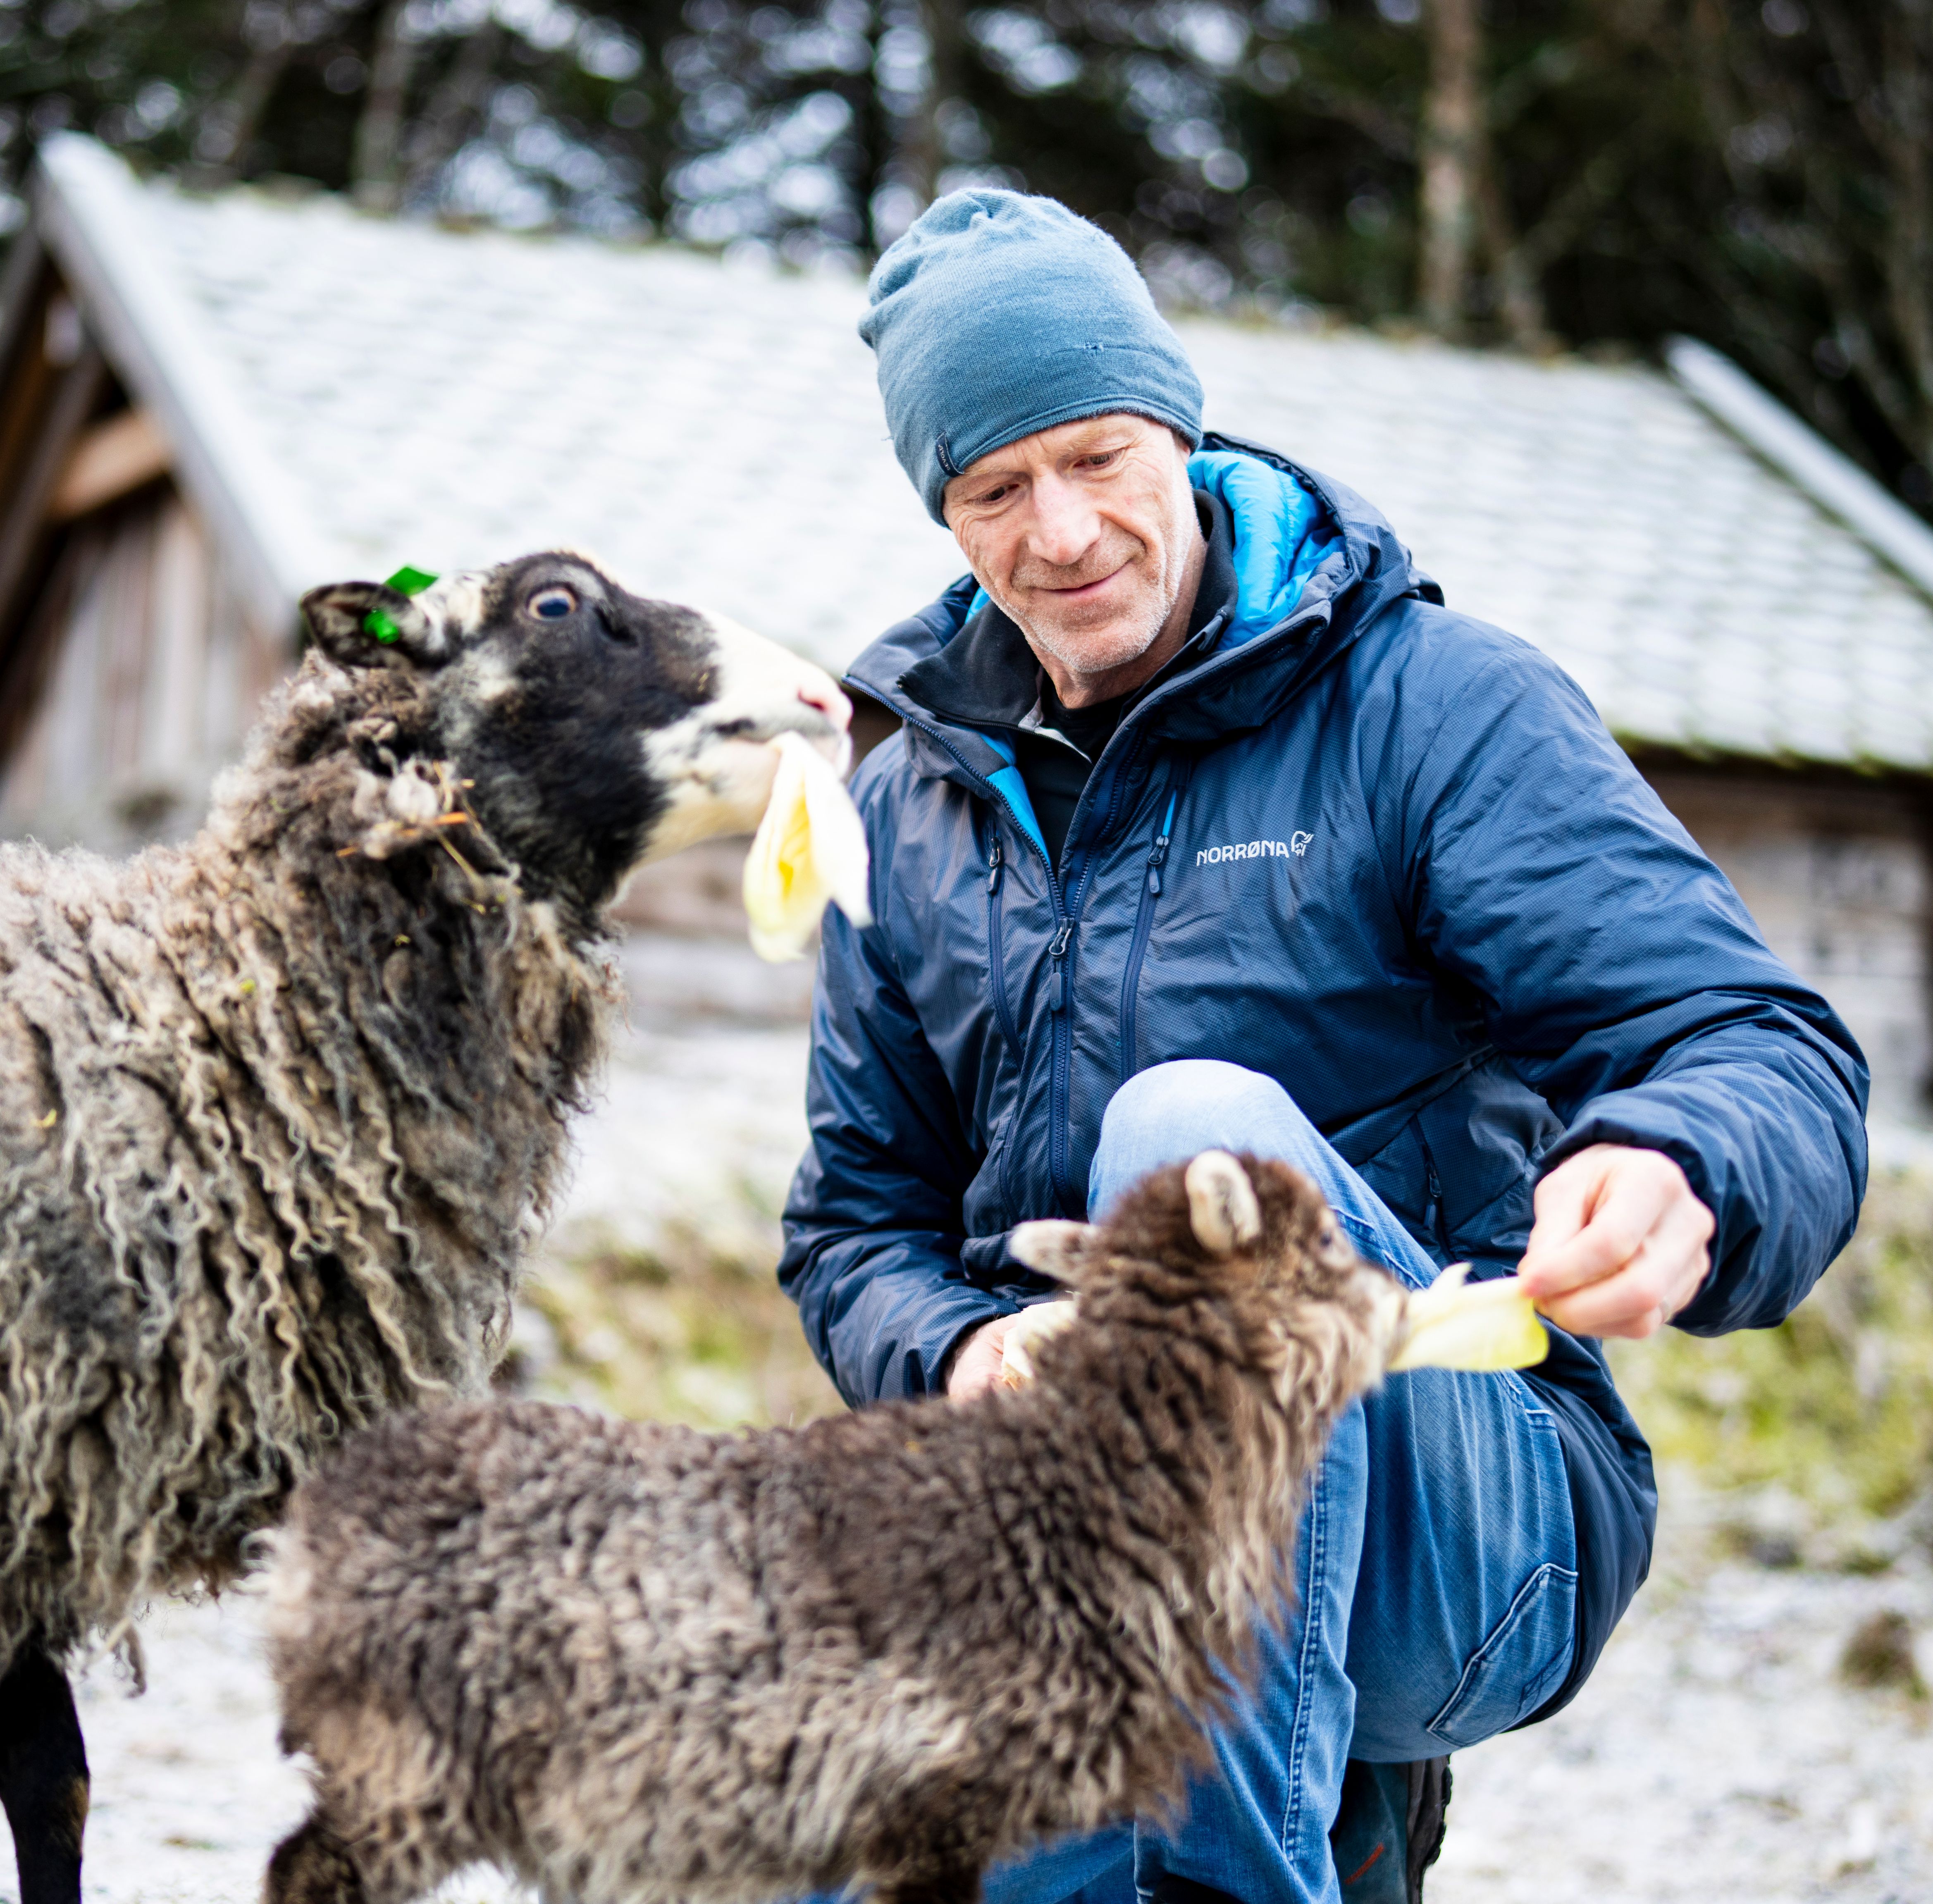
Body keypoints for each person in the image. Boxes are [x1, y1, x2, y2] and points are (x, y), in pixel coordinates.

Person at [779, 188, 1870, 1904]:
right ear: (944, 509)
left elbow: (1749, 1040)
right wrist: (962, 1359)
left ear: (1180, 433)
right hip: (1061, 1530)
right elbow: (851, 1232)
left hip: (1455, 1509)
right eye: (994, 488)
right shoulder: (901, 803)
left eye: (1095, 457)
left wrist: (1682, 1162)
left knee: (1197, 1146)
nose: (1058, 532)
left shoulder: (1431, 707)